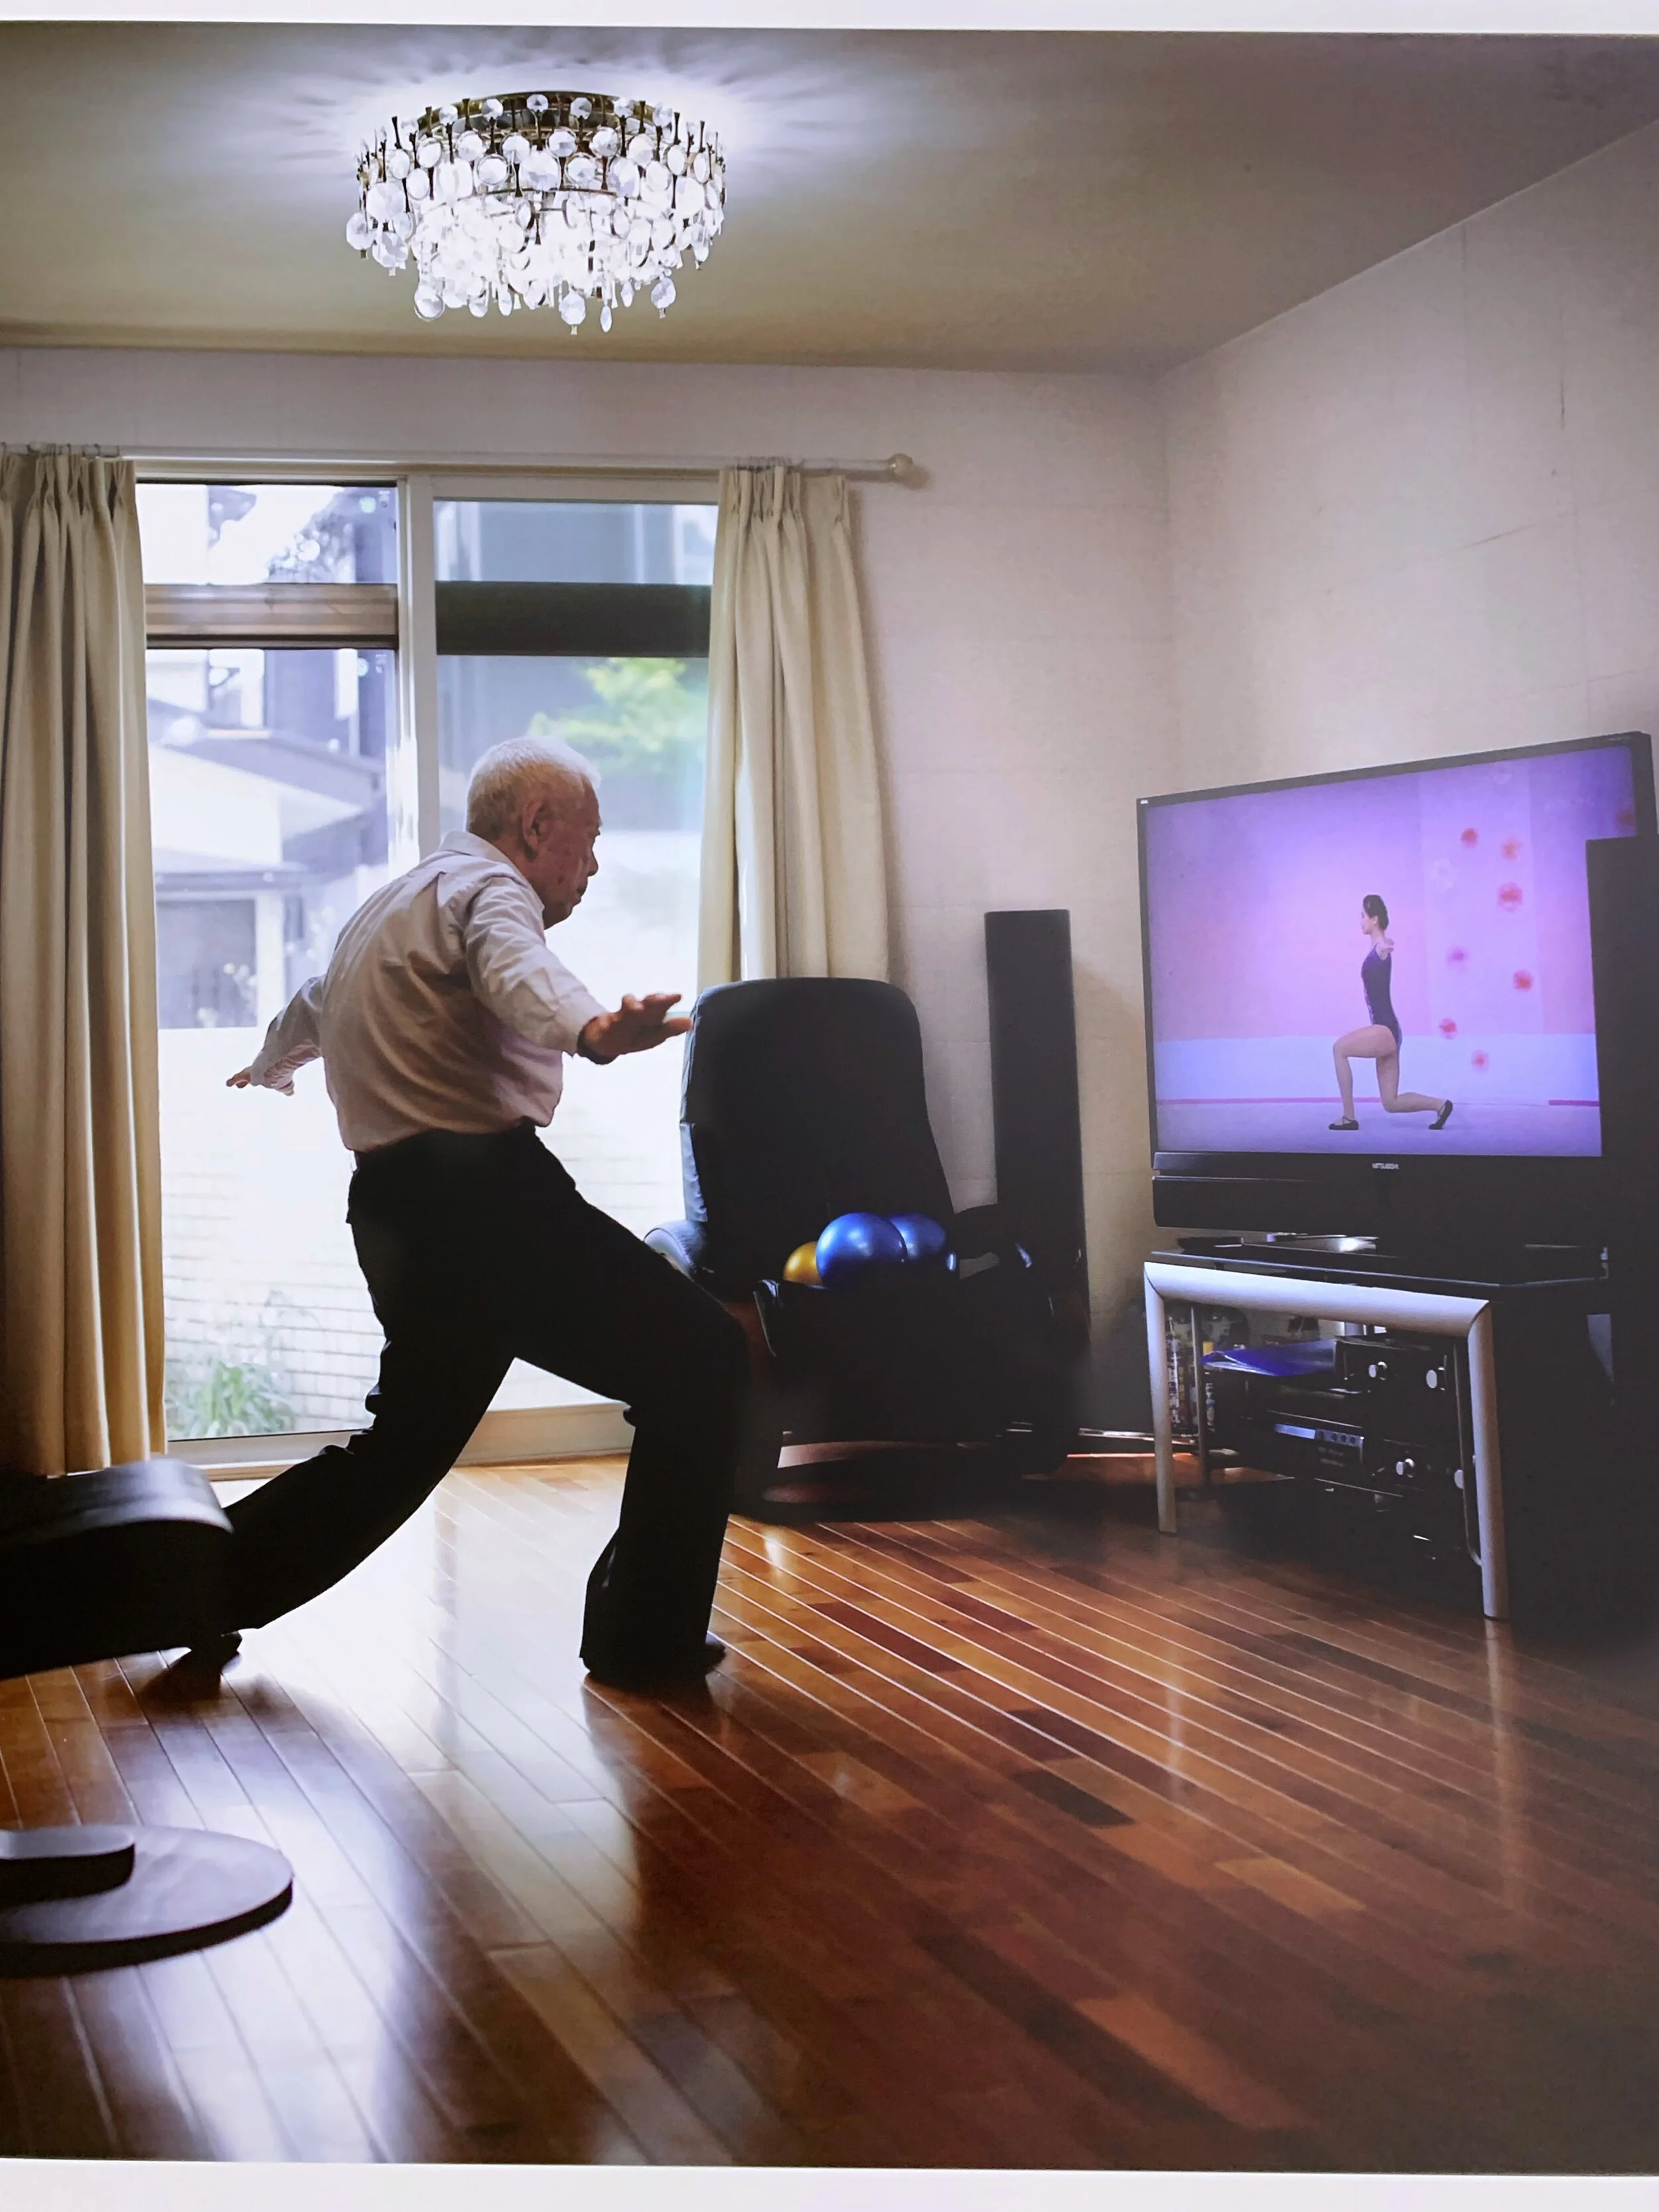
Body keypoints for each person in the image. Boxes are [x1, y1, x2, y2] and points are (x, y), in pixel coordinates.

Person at [210, 736, 748, 1689]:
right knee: (704, 1361)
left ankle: (200, 1588)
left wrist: (272, 1061)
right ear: (534, 827)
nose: (591, 865)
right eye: (586, 842)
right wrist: (593, 1031)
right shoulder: (490, 892)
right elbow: (518, 970)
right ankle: (645, 1640)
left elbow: (315, 1001)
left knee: (403, 1448)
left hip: (393, 1208)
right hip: (486, 1202)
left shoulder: (392, 901)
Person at [1329, 894, 1455, 1133]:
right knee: (1391, 1102)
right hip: (1391, 1032)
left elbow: (1384, 950)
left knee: (1339, 1049)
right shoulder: (1374, 948)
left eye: (1363, 916)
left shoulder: (1380, 948)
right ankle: (1441, 1105)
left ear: (1374, 919)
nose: (1361, 921)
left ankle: (1348, 1117)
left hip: (1384, 1030)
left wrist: (1385, 947)